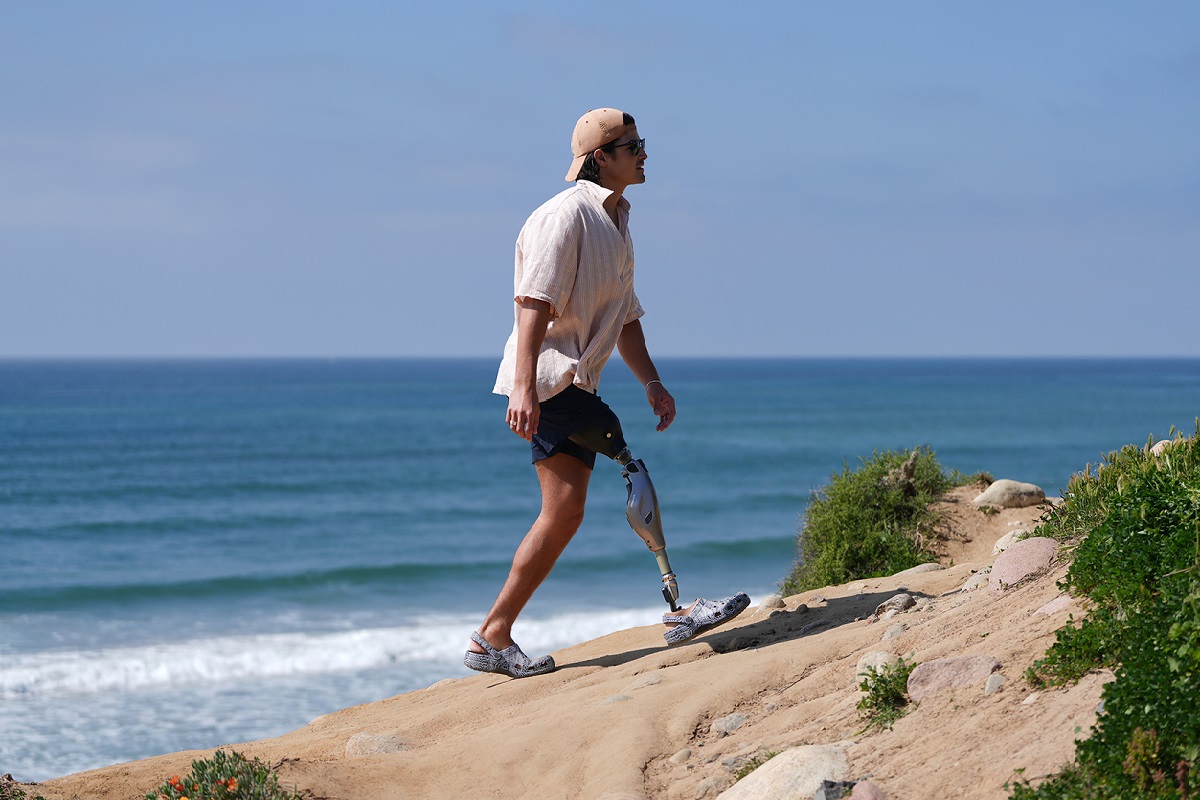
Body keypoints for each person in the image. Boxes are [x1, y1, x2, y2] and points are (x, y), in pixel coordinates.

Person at [465, 108, 749, 679]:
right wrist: (523, 389)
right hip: (550, 381)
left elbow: (625, 317)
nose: (644, 153)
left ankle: (492, 638)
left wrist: (652, 381)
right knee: (630, 466)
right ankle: (679, 608)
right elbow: (532, 307)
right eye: (632, 145)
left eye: (642, 143)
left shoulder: (618, 218)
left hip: (570, 381)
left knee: (564, 513)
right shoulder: (563, 218)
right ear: (601, 157)